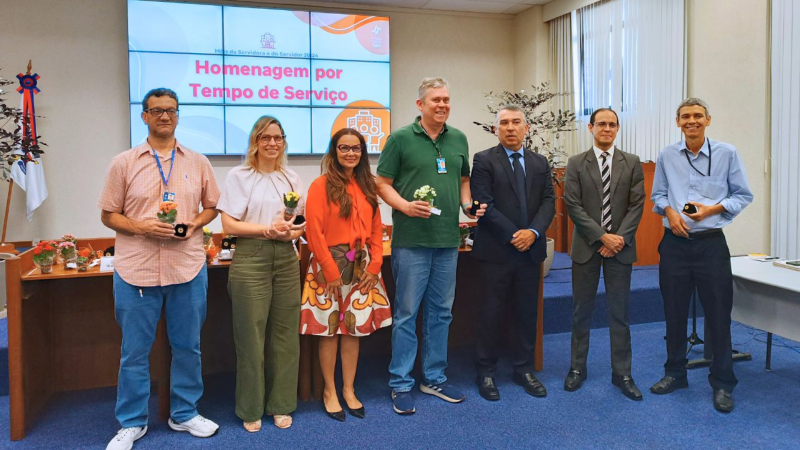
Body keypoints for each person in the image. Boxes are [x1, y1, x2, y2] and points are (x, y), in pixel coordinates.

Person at [99, 88, 220, 450]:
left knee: (188, 347)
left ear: (178, 116)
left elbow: (212, 206)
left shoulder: (198, 162)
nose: (165, 116)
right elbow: (108, 214)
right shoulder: (123, 163)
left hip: (187, 268)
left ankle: (184, 413)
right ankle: (132, 422)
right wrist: (140, 227)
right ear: (145, 117)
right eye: (157, 111)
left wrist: (195, 223)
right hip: (137, 269)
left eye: (171, 110)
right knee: (134, 352)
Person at [376, 77, 485, 415]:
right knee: (407, 314)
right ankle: (400, 383)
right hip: (411, 241)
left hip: (447, 240)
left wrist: (467, 206)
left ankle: (434, 378)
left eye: (446, 99)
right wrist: (405, 206)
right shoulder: (400, 139)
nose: (442, 105)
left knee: (441, 313)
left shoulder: (459, 138)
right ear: (420, 104)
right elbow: (382, 183)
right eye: (436, 99)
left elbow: (463, 179)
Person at [650, 98, 753, 413]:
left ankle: (722, 384)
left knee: (719, 316)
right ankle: (675, 374)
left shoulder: (727, 153)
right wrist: (669, 211)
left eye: (697, 116)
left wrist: (713, 209)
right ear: (677, 122)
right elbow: (658, 195)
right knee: (674, 313)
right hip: (674, 245)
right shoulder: (667, 155)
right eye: (685, 116)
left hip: (710, 245)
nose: (691, 121)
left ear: (708, 120)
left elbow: (743, 195)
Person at [217, 115, 305, 432]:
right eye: (265, 137)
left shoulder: (291, 178)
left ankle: (281, 404)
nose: (272, 143)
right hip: (251, 256)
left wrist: (291, 232)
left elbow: (299, 224)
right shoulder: (239, 176)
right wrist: (267, 230)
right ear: (255, 141)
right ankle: (251, 407)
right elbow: (229, 225)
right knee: (251, 336)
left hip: (286, 257)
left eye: (277, 138)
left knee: (285, 335)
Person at [301, 128, 392, 421]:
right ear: (334, 151)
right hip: (328, 265)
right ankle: (330, 391)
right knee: (329, 332)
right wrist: (330, 271)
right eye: (344, 148)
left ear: (362, 152)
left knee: (353, 330)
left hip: (362, 267)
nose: (351, 153)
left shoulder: (367, 185)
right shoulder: (320, 185)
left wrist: (375, 266)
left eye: (356, 148)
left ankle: (349, 389)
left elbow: (377, 230)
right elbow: (313, 232)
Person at [469, 105, 555, 401]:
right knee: (490, 313)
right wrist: (515, 235)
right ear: (496, 129)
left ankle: (523, 369)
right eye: (504, 123)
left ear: (526, 128)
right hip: (496, 251)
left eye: (516, 122)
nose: (510, 127)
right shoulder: (483, 160)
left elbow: (548, 201)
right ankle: (486, 371)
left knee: (526, 313)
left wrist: (533, 233)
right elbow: (484, 203)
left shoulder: (540, 162)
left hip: (530, 252)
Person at [562, 108, 646, 400]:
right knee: (581, 312)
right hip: (587, 247)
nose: (607, 128)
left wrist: (618, 239)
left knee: (620, 313)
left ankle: (622, 373)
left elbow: (637, 205)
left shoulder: (632, 162)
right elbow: (572, 205)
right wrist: (601, 237)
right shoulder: (576, 163)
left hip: (620, 248)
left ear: (618, 128)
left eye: (612, 124)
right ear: (591, 127)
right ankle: (577, 368)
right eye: (601, 124)